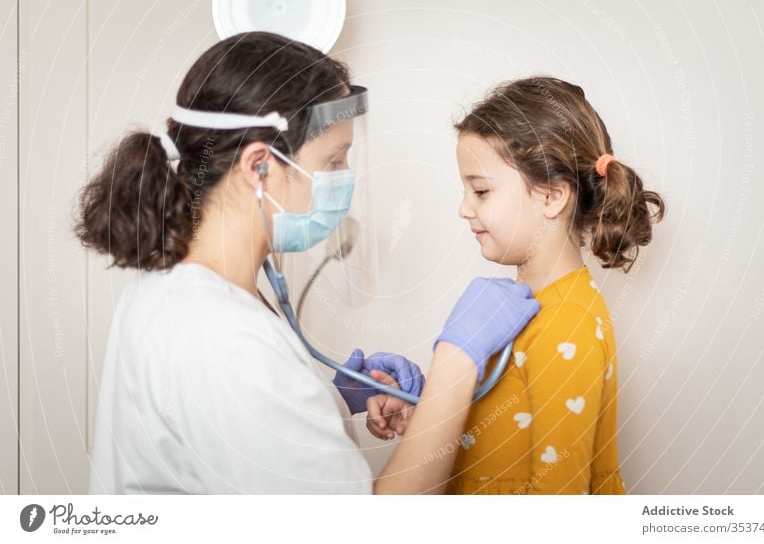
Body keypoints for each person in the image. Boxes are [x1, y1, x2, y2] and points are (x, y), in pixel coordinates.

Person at [76, 31, 540, 494]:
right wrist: (454, 367)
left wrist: (329, 401)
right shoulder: (223, 338)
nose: (344, 179)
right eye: (334, 160)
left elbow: (237, 436)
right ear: (259, 166)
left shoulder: (184, 286)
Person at [368, 77, 665, 495]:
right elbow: (497, 438)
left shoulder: (568, 323)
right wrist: (426, 406)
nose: (463, 208)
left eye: (481, 190)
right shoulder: (517, 310)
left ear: (551, 196)